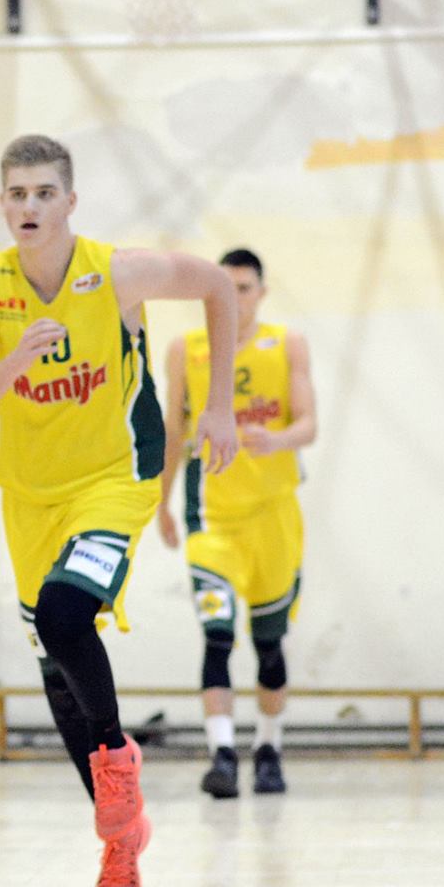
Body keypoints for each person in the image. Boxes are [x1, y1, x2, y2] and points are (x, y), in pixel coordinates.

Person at [0, 135, 238, 887]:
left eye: (45, 192)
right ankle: (119, 836)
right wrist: (14, 362)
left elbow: (217, 286)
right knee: (57, 671)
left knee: (65, 613)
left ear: (70, 201)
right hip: (29, 495)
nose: (30, 205)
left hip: (114, 479)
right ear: (2, 204)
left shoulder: (117, 272)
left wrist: (218, 406)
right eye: (17, 193)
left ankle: (116, 759)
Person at [156, 249, 318, 798]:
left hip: (273, 516)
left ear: (260, 293)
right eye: (223, 288)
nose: (233, 298)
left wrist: (278, 439)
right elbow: (173, 431)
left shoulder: (287, 344)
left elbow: (309, 424)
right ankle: (222, 755)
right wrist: (160, 502)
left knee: (270, 644)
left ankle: (268, 749)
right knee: (217, 636)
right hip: (212, 519)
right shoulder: (185, 350)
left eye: (243, 288)